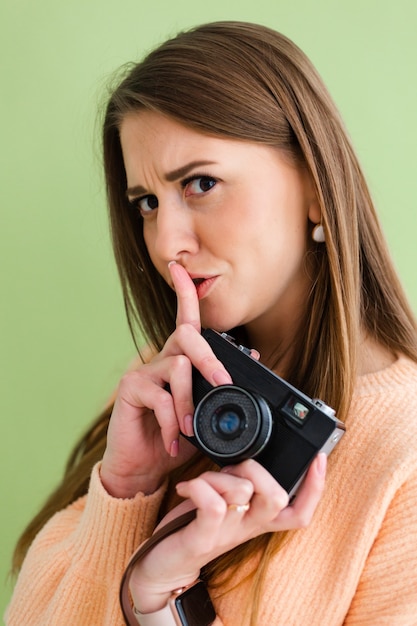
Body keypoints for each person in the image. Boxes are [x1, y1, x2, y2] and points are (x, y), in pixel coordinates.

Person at [6, 20, 417, 625]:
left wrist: (162, 599)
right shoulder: (169, 391)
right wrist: (125, 495)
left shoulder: (403, 455)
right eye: (146, 203)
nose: (166, 242)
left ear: (316, 190)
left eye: (201, 184)